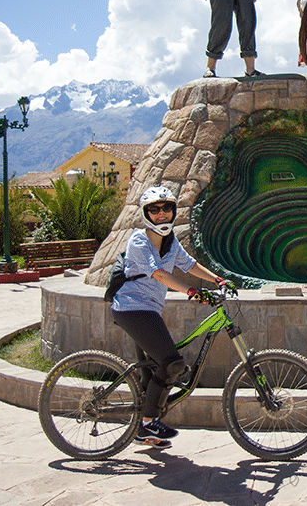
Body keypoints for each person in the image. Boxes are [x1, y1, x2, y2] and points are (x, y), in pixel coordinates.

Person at [109, 186, 230, 447]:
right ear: (146, 214)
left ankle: (146, 431)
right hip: (132, 308)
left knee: (155, 371)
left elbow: (189, 264)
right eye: (155, 209)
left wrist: (217, 279)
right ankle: (148, 423)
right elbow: (160, 275)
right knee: (172, 363)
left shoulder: (171, 241)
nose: (162, 214)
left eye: (167, 208)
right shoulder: (139, 241)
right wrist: (192, 291)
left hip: (148, 309)